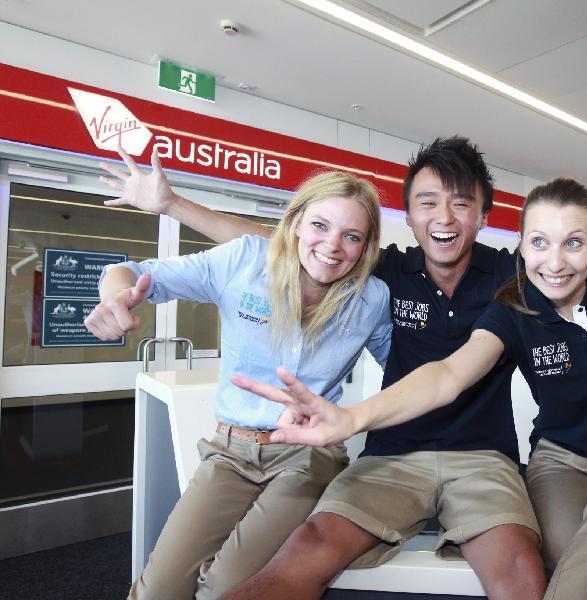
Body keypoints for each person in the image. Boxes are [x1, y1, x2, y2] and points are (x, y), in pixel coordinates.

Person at [101, 137, 587, 600]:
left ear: (485, 213)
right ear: (411, 215)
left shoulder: (516, 272)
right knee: (305, 555)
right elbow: (284, 246)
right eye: (428, 202)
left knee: (526, 569)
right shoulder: (382, 273)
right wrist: (179, 206)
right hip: (389, 454)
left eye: (461, 203)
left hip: (485, 459)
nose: (445, 217)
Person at [85, 163, 393, 599]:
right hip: (229, 451)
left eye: (352, 236)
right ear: (296, 224)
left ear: (365, 247)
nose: (332, 246)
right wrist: (116, 295)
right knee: (158, 591)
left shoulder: (371, 299)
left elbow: (405, 370)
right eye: (320, 226)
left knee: (229, 588)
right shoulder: (245, 260)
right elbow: (132, 272)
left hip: (307, 457)